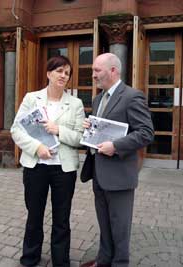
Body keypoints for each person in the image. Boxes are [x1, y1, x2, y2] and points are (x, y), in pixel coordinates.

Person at [10, 55, 85, 267]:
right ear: (48, 73)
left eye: (67, 73)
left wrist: (58, 130)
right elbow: (17, 129)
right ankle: (30, 257)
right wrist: (37, 148)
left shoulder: (75, 104)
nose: (63, 76)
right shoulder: (32, 98)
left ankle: (61, 261)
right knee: (34, 214)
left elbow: (80, 138)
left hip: (64, 169)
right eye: (59, 71)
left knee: (62, 218)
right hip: (36, 168)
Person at [80, 53, 154, 267]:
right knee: (104, 224)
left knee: (120, 227)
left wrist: (116, 146)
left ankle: (120, 263)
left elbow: (146, 132)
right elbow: (101, 131)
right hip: (98, 173)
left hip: (120, 176)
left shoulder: (132, 96)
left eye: (97, 70)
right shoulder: (97, 98)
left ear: (113, 70)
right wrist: (89, 129)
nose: (93, 75)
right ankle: (104, 261)